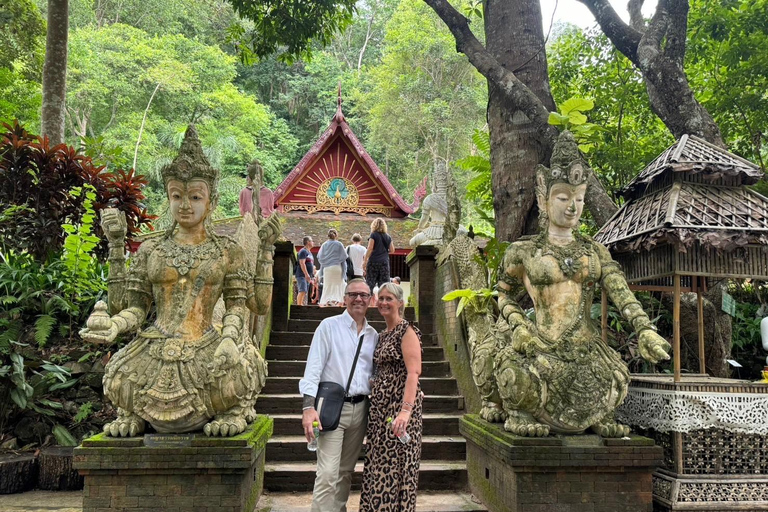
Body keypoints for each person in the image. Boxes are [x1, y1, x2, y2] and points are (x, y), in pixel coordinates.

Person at [80, 126, 270, 437]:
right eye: (176, 196)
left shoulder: (226, 250)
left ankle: (235, 410)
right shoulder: (152, 249)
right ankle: (135, 414)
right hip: (155, 344)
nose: (185, 205)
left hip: (207, 341)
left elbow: (240, 307)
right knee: (117, 378)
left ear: (211, 201)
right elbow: (130, 309)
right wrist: (113, 323)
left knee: (240, 369)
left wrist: (229, 338)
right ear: (168, 197)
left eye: (195, 196)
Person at [300, 279, 378, 512]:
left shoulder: (373, 335)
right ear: (344, 298)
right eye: (353, 294)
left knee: (345, 472)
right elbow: (313, 368)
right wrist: (307, 408)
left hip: (361, 408)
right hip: (332, 409)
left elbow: (375, 375)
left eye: (363, 295)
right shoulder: (328, 326)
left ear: (370, 301)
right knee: (327, 473)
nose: (358, 299)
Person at [360, 283, 422, 512]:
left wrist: (406, 410)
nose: (384, 303)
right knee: (379, 466)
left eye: (389, 299)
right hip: (380, 411)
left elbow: (413, 373)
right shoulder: (383, 334)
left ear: (400, 303)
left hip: (399, 410)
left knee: (397, 467)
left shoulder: (407, 331)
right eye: (381, 298)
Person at [362, 218, 395, 299]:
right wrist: (384, 253)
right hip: (384, 262)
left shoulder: (373, 235)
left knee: (370, 283)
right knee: (384, 284)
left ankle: (367, 301)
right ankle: (384, 300)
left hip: (373, 261)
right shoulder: (388, 237)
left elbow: (370, 248)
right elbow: (392, 250)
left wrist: (365, 261)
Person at [318, 229, 347, 307]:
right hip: (337, 267)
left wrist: (321, 274)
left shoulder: (324, 245)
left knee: (327, 285)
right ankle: (340, 301)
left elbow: (321, 259)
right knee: (339, 284)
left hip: (327, 268)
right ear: (336, 235)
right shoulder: (339, 244)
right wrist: (344, 273)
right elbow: (343, 259)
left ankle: (326, 301)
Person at [296, 236, 315, 306]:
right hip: (302, 274)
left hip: (308, 275)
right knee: (302, 290)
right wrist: (306, 274)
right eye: (311, 241)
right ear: (308, 242)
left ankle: (301, 304)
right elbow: (302, 263)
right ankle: (299, 305)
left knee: (305, 291)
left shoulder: (310, 253)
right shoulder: (303, 251)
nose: (313, 243)